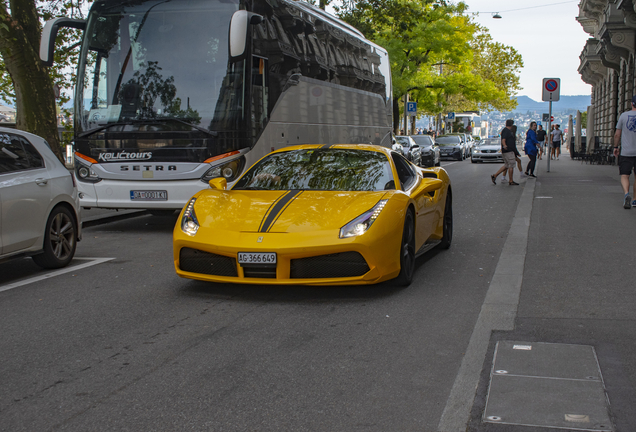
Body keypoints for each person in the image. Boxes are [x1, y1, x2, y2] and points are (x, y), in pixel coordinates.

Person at [613, 95, 636, 209]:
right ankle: (635, 200)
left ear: (632, 103)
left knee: (625, 175)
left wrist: (615, 146)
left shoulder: (624, 116)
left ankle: (627, 194)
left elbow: (617, 134)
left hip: (626, 151)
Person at [491, 119, 520, 185]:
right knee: (511, 165)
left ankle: (495, 176)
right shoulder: (506, 131)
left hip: (507, 150)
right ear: (511, 125)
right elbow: (503, 139)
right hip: (508, 151)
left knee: (506, 165)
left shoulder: (506, 131)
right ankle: (511, 180)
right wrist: (505, 145)